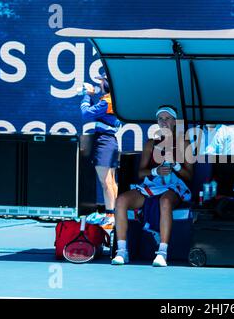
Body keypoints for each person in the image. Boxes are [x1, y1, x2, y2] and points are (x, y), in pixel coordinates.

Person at [112, 105, 193, 267]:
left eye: (167, 118)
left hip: (175, 187)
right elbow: (141, 173)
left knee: (165, 202)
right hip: (152, 186)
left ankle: (162, 253)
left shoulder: (184, 143)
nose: (163, 122)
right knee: (121, 201)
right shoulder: (150, 143)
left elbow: (189, 175)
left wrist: (175, 166)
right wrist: (156, 171)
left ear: (175, 122)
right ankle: (122, 252)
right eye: (160, 119)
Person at [80, 73, 122, 229]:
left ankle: (110, 216)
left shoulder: (108, 101)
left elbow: (85, 114)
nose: (101, 84)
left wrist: (87, 96)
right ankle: (114, 215)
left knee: (106, 182)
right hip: (108, 142)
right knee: (110, 182)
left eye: (103, 81)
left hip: (105, 142)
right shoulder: (113, 99)